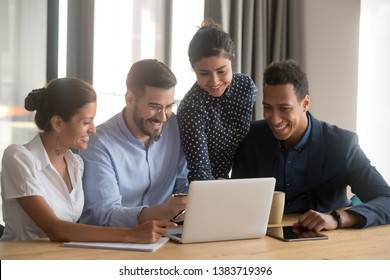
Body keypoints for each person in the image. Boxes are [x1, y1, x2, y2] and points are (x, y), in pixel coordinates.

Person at [0, 77, 175, 242]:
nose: (93, 130)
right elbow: (55, 229)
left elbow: (77, 226)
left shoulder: (76, 164)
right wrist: (132, 234)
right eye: (86, 122)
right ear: (58, 123)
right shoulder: (19, 158)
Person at [232, 59, 390, 231]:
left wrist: (338, 218)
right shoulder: (251, 138)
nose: (274, 119)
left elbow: (386, 199)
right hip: (263, 239)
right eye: (268, 108)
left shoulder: (341, 144)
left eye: (285, 108)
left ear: (305, 103)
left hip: (329, 242)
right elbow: (236, 201)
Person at [79, 59, 189, 228]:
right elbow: (105, 214)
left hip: (165, 237)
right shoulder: (98, 143)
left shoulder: (174, 126)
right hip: (109, 245)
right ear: (130, 99)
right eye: (154, 106)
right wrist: (164, 211)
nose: (163, 117)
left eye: (168, 106)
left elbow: (183, 184)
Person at [177, 19, 258, 181]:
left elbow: (249, 141)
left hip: (229, 179)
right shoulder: (191, 108)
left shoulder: (245, 87)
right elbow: (200, 172)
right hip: (192, 186)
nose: (214, 81)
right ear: (194, 70)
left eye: (221, 71)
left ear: (232, 61)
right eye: (204, 73)